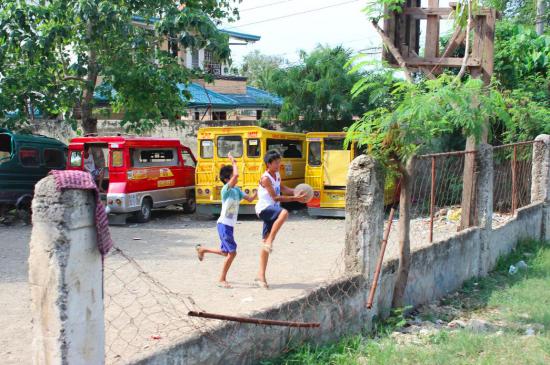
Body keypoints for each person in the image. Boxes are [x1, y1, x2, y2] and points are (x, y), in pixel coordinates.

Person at [195, 153, 257, 288]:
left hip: (229, 226)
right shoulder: (226, 190)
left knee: (225, 253)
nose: (235, 178)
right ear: (227, 179)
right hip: (223, 224)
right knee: (232, 252)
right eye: (232, 176)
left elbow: (251, 199)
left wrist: (260, 189)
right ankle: (222, 279)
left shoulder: (237, 191)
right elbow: (236, 176)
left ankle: (203, 249)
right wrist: (234, 162)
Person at [255, 150, 306, 289]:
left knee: (265, 244)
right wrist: (295, 198)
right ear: (269, 163)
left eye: (279, 162)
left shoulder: (276, 174)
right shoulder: (265, 178)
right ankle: (271, 240)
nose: (279, 164)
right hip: (264, 209)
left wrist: (297, 191)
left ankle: (261, 276)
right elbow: (275, 197)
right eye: (276, 162)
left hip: (272, 209)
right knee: (284, 213)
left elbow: (282, 188)